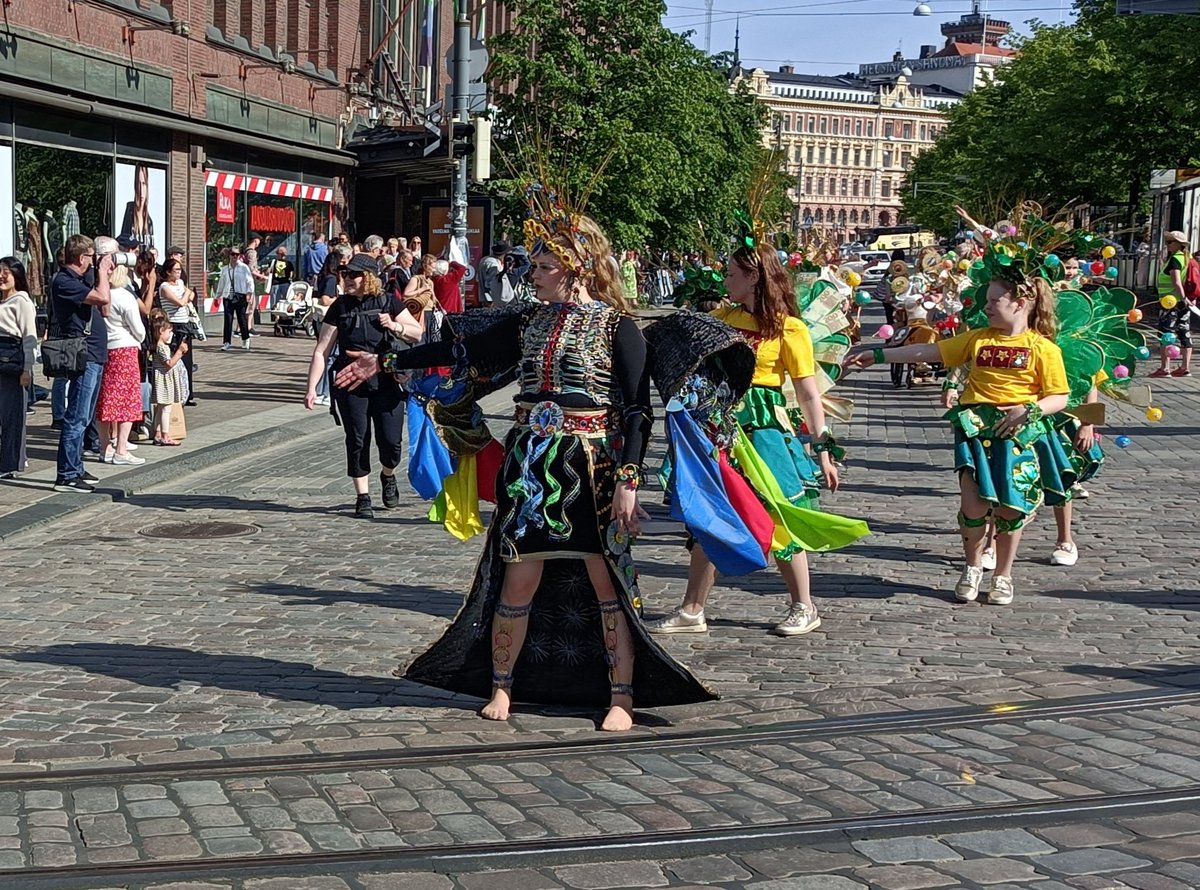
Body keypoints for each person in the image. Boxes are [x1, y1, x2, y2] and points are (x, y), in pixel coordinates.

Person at [335, 204, 714, 733]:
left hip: (590, 465)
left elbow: (636, 411)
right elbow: (460, 350)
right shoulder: (529, 321)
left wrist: (629, 482)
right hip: (530, 465)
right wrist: (390, 361)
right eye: (533, 267)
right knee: (517, 578)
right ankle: (502, 686)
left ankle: (621, 697)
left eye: (542, 267)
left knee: (608, 584)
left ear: (575, 269)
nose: (531, 276)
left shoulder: (619, 326)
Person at [647, 240, 855, 638]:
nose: (724, 279)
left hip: (764, 430)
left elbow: (809, 392)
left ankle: (803, 605)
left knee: (778, 511)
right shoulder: (722, 319)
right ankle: (693, 609)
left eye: (730, 273)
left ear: (754, 277)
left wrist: (823, 447)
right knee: (709, 511)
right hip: (720, 425)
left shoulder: (790, 329)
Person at [846, 243, 1070, 606]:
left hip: (1015, 432)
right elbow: (929, 351)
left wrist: (1029, 410)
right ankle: (971, 567)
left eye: (993, 300)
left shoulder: (1044, 348)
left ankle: (1003, 575)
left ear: (1020, 302)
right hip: (975, 428)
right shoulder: (978, 339)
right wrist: (878, 355)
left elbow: (1059, 396)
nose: (985, 306)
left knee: (1012, 507)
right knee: (974, 506)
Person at [304, 253, 422, 518]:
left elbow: (417, 332)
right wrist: (311, 387)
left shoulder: (388, 301)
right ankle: (363, 496)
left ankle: (388, 474)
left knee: (390, 442)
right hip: (351, 382)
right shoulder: (340, 307)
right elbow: (321, 350)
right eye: (345, 274)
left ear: (368, 278)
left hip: (387, 381)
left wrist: (394, 325)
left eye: (354, 275)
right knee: (357, 439)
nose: (347, 279)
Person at [52, 235, 112, 493]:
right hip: (83, 356)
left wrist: (102, 273)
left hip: (95, 355)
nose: (93, 261)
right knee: (76, 416)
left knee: (85, 416)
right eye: (91, 256)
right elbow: (104, 299)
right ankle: (65, 475)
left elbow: (105, 309)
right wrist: (101, 271)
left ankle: (75, 466)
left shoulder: (79, 279)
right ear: (81, 258)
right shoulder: (64, 281)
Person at [96, 262, 146, 465]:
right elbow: (139, 330)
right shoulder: (125, 296)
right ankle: (121, 449)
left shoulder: (98, 294)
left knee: (105, 398)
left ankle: (105, 447)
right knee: (128, 399)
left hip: (103, 348)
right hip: (125, 348)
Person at [0, 257, 37, 478]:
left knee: (12, 416)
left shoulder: (21, 301)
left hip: (11, 362)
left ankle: (10, 463)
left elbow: (29, 338)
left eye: (7, 272)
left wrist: (27, 369)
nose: (2, 276)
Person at [1150, 229, 1194, 378]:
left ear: (1179, 244)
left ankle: (1165, 368)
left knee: (1165, 333)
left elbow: (1176, 281)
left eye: (1170, 242)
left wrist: (1181, 297)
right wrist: (1186, 299)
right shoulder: (1187, 258)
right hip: (1184, 302)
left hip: (1171, 302)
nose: (1167, 245)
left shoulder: (1175, 259)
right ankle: (1185, 367)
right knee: (1184, 332)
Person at [157, 258, 197, 403]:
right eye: (176, 270)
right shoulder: (164, 287)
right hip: (173, 325)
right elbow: (180, 302)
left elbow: (191, 296)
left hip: (185, 323)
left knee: (187, 359)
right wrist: (187, 293)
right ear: (168, 272)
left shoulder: (180, 283)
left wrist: (187, 294)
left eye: (180, 270)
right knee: (176, 357)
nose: (179, 273)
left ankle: (189, 394)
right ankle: (177, 392)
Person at [148, 310, 187, 446]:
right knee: (166, 408)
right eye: (168, 332)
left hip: (165, 380)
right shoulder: (161, 347)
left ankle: (158, 433)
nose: (170, 334)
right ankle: (166, 435)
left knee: (161, 408)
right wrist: (180, 352)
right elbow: (169, 363)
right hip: (164, 381)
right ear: (160, 332)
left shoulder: (161, 346)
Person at [118, 163, 156, 251]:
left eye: (144, 184)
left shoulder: (149, 221)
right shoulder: (130, 210)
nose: (141, 190)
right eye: (138, 184)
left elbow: (151, 247)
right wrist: (134, 244)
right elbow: (122, 238)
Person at [221, 247, 252, 351]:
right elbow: (222, 283)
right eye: (233, 254)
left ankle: (245, 339)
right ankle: (226, 342)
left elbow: (250, 281)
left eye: (237, 254)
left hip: (240, 295)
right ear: (229, 255)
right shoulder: (225, 269)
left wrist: (249, 293)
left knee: (241, 318)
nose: (235, 256)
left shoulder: (244, 268)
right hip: (228, 296)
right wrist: (218, 295)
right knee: (228, 319)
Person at [477, 240, 512, 306]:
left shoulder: (484, 259)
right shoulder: (493, 264)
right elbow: (491, 283)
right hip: (491, 300)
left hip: (485, 298)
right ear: (504, 254)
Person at [244, 234, 267, 335]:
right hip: (249, 282)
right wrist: (263, 277)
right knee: (251, 305)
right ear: (255, 240)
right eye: (258, 240)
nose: (259, 243)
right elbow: (252, 269)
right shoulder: (252, 253)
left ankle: (240, 329)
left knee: (246, 305)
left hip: (244, 281)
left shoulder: (245, 251)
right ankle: (248, 328)